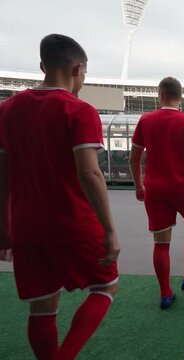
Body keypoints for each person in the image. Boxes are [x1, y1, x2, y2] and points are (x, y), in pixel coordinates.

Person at [0, 34, 120, 359]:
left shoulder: (6, 110)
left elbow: (2, 172)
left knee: (42, 306)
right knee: (106, 285)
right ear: (78, 69)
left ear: (42, 66)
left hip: (26, 226)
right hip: (71, 222)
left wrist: (4, 224)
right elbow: (89, 172)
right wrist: (109, 228)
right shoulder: (80, 110)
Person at [129, 77, 184, 310]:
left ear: (161, 94)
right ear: (180, 97)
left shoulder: (145, 120)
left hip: (154, 188)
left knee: (161, 242)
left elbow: (134, 157)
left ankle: (165, 293)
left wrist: (138, 185)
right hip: (183, 186)